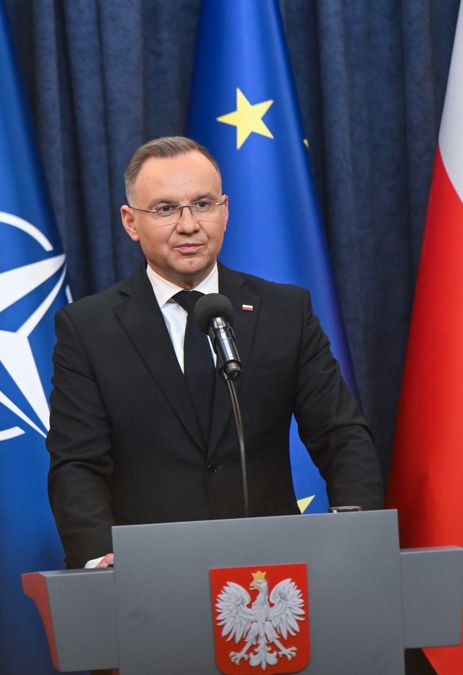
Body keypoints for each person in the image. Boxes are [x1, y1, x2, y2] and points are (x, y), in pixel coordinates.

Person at [46, 136, 384, 569]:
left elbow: (341, 435)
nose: (189, 225)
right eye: (165, 209)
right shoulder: (88, 328)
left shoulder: (283, 310)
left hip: (271, 578)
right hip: (148, 582)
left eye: (203, 204)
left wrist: (357, 537)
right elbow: (77, 463)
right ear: (130, 222)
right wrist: (98, 563)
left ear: (225, 210)